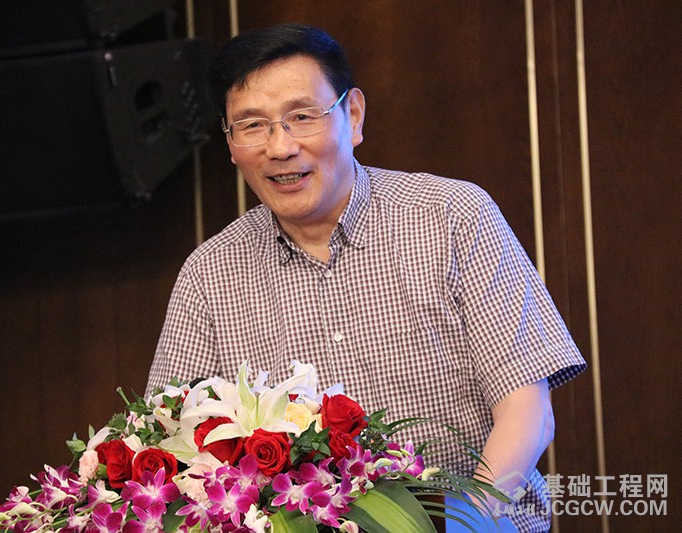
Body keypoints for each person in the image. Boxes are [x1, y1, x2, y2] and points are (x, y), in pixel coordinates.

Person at [146, 23, 586, 531]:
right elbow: (167, 441)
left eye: (302, 117)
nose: (280, 147)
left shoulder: (452, 216)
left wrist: (470, 522)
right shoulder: (210, 273)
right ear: (230, 142)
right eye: (251, 125)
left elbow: (527, 409)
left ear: (352, 115)